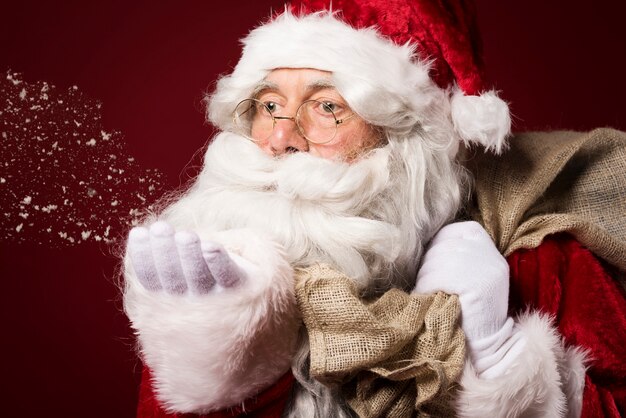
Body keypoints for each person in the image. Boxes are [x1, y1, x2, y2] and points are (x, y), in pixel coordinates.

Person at [123, 2, 626, 417]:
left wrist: (495, 362)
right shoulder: (212, 270)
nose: (278, 139)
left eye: (326, 108)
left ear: (404, 138)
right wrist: (226, 352)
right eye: (270, 105)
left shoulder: (539, 261)